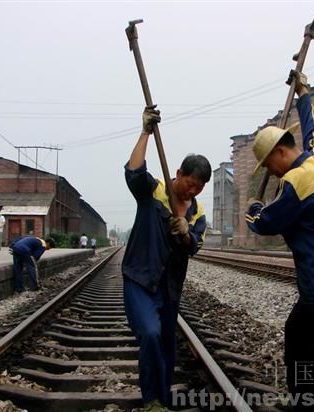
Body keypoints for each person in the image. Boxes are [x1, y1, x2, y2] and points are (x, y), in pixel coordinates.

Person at [245, 71, 314, 411]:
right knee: (297, 335)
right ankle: (305, 400)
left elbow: (265, 223)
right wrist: (304, 94)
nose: (271, 172)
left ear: (280, 152)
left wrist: (253, 208)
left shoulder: (294, 184)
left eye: (268, 165)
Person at [123, 105, 211, 412]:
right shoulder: (154, 192)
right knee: (150, 332)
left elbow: (194, 245)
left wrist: (185, 231)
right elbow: (134, 172)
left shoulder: (197, 212)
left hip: (170, 286)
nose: (193, 190)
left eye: (200, 187)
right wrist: (145, 132)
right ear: (179, 174)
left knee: (166, 343)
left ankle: (161, 398)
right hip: (140, 277)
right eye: (190, 183)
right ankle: (151, 401)